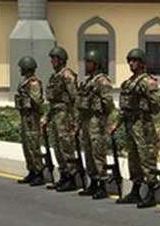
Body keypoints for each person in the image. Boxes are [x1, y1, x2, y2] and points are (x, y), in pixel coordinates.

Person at [110, 48, 160, 208]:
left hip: (143, 125)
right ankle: (136, 189)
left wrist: (146, 96)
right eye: (130, 61)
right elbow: (124, 108)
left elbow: (157, 106)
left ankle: (152, 192)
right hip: (130, 124)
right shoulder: (127, 83)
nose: (131, 64)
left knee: (146, 158)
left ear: (141, 63)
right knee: (133, 159)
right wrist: (116, 124)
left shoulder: (148, 82)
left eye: (134, 61)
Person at [76, 50, 116, 200]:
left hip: (96, 120)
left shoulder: (102, 81)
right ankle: (93, 182)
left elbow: (108, 103)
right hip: (87, 119)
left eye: (89, 62)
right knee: (88, 151)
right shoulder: (87, 81)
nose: (87, 65)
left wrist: (102, 118)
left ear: (96, 64)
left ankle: (102, 185)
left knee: (97, 152)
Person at [42, 46, 81, 193]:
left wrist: (75, 121)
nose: (52, 61)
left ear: (61, 60)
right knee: (57, 148)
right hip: (56, 116)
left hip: (65, 116)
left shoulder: (67, 75)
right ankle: (64, 176)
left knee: (66, 147)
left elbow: (74, 98)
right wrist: (47, 117)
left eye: (54, 58)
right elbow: (53, 101)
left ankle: (71, 177)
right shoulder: (55, 76)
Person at [14, 55, 47, 186]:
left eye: (22, 68)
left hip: (32, 118)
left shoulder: (34, 83)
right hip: (25, 116)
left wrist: (26, 102)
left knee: (34, 145)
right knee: (27, 146)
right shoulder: (25, 82)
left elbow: (37, 100)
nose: (20, 70)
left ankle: (39, 172)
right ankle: (32, 171)